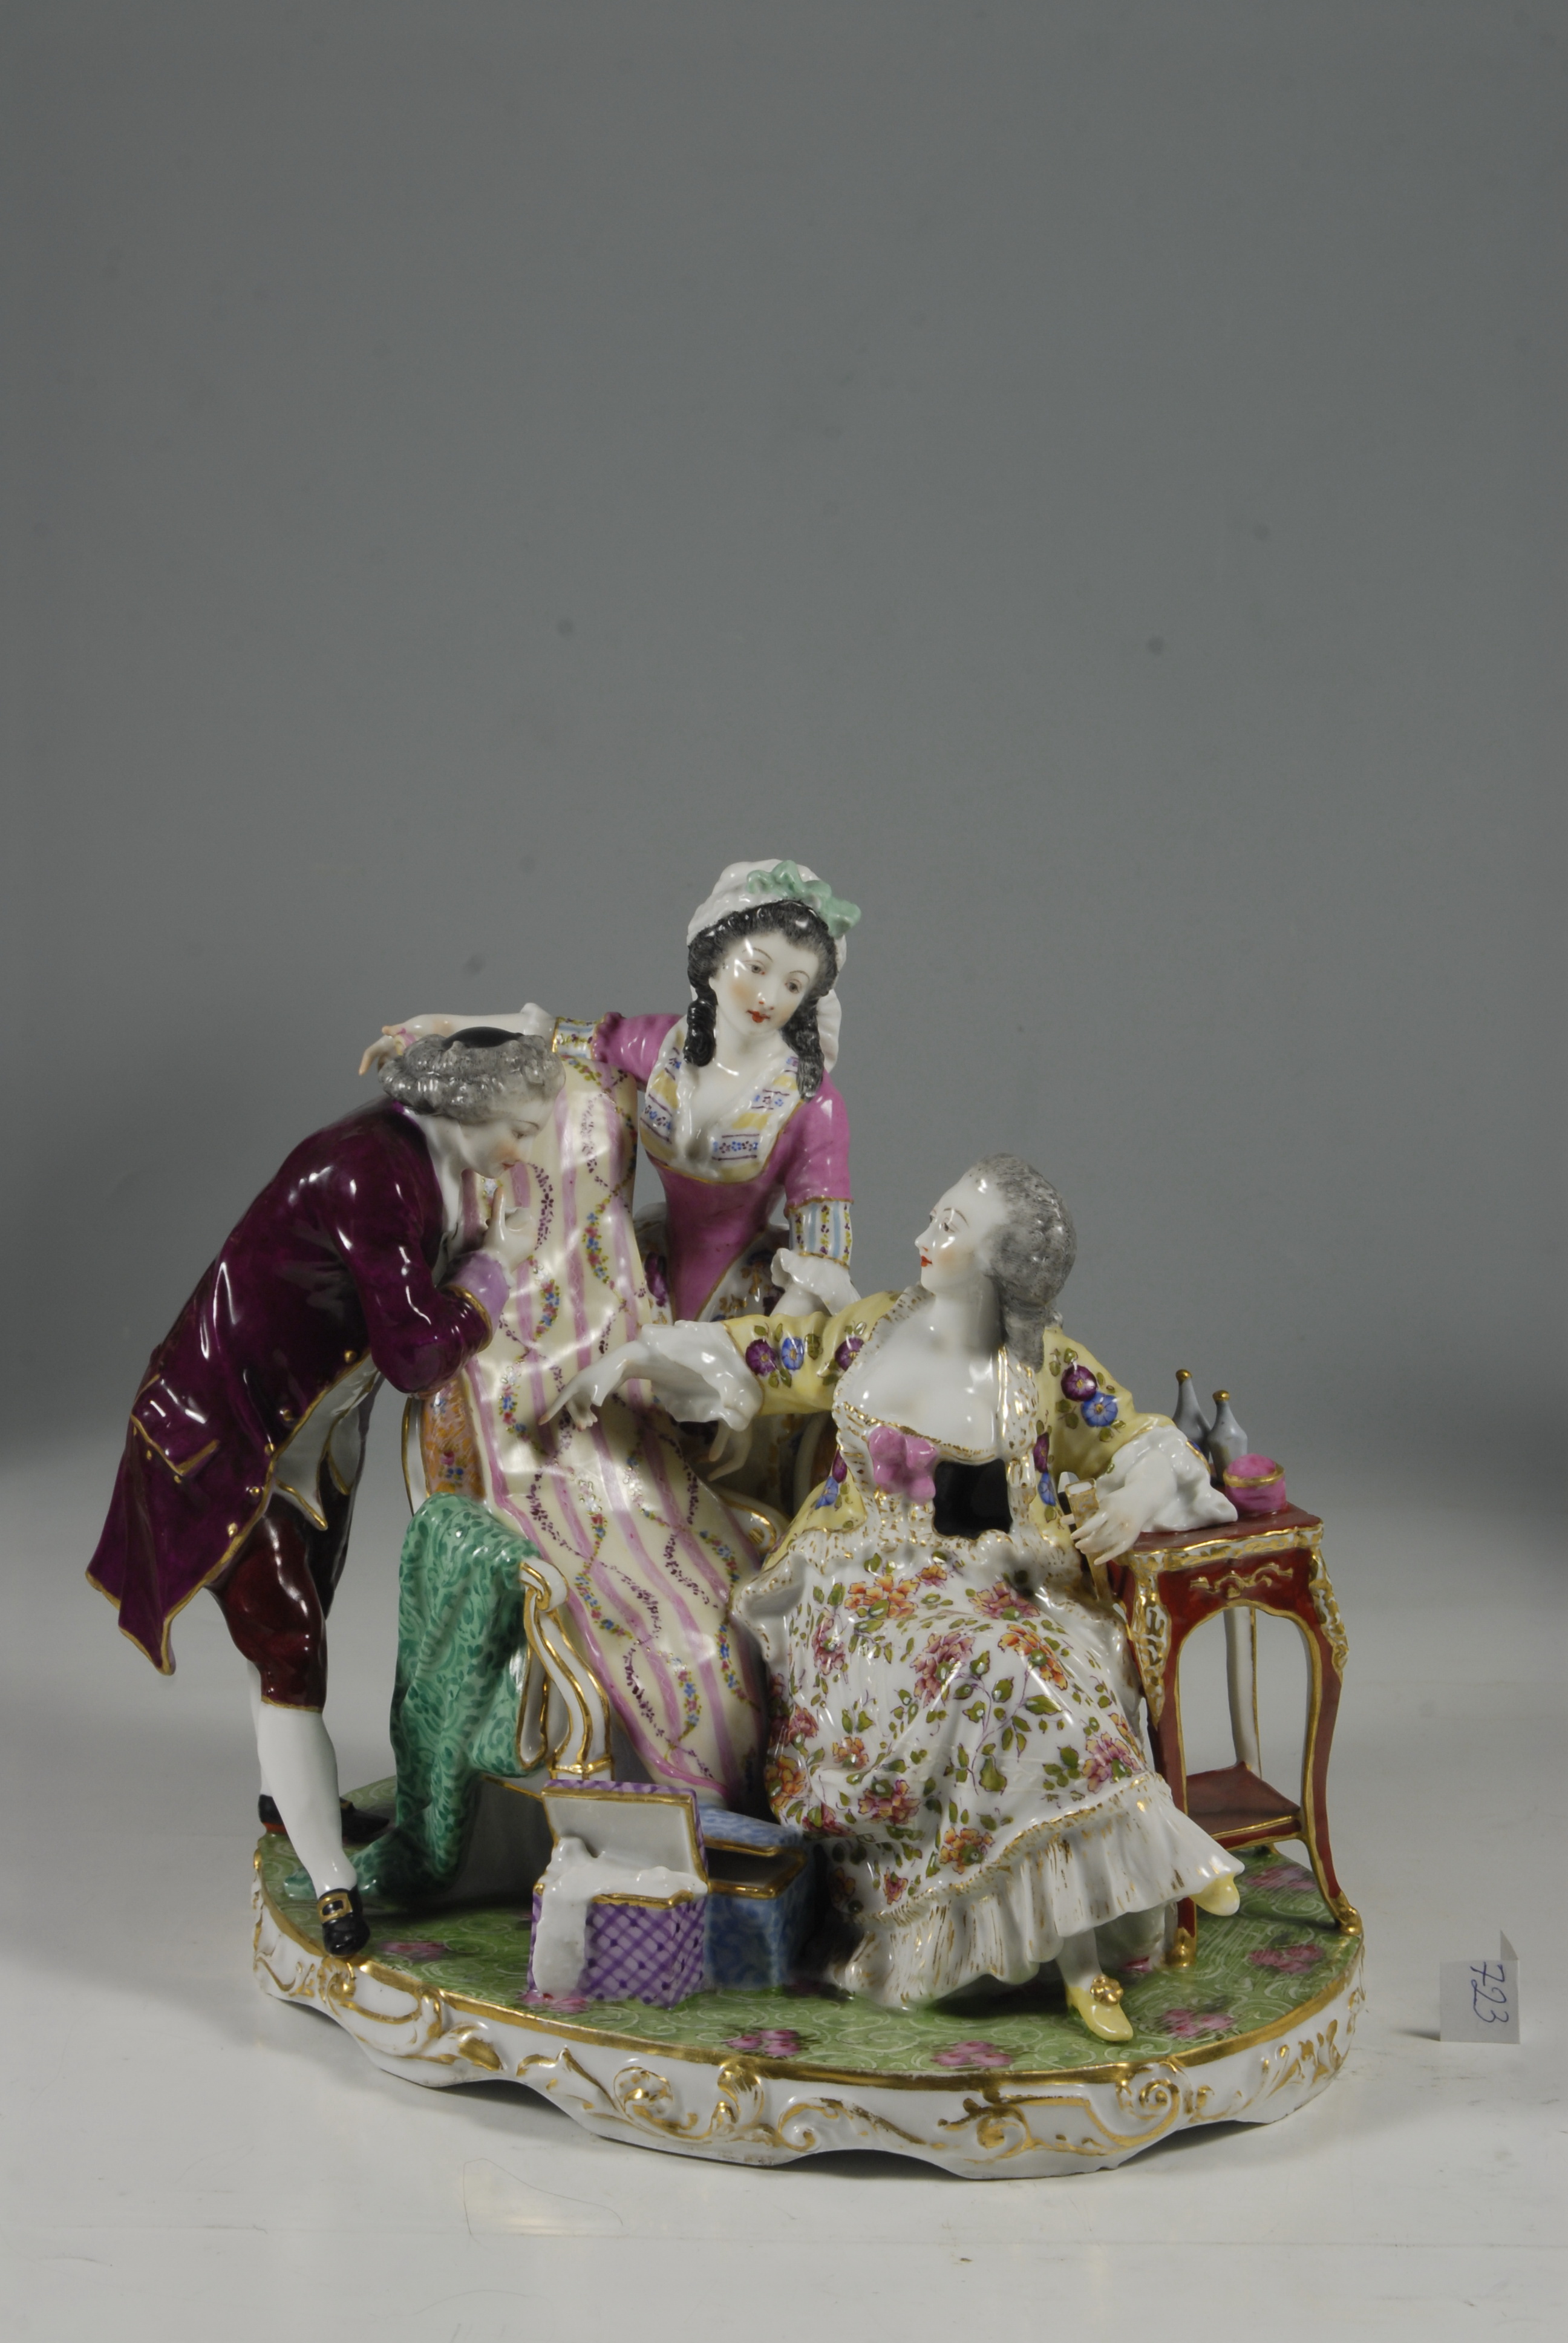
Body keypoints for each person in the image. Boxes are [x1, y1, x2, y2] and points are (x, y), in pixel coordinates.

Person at [554, 1154, 1244, 2040]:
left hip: (996, 1575)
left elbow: (1139, 1440)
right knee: (999, 1667)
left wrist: (1136, 1501)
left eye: (951, 1229)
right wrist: (638, 1356)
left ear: (998, 1266)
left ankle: (1100, 1921)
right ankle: (1124, 1880)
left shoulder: (1044, 1367)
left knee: (1051, 1660)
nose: (922, 1237)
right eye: (934, 1215)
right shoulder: (875, 1330)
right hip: (856, 1583)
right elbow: (767, 1356)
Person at [88, 1029, 562, 1954]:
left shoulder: (434, 1157)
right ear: (467, 1108)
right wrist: (490, 1274)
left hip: (306, 1439)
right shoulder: (369, 1174)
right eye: (518, 1126)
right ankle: (336, 1883)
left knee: (292, 1634)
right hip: (226, 1442)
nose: (525, 1146)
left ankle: (285, 1795)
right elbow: (415, 1354)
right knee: (293, 1648)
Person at [361, 859, 860, 1329]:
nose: (768, 997)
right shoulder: (666, 1048)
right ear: (714, 960)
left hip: (751, 1299)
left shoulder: (812, 1103)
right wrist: (436, 1029)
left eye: (793, 985)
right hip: (651, 1269)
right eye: (756, 968)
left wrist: (758, 1344)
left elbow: (824, 1250)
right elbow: (553, 1035)